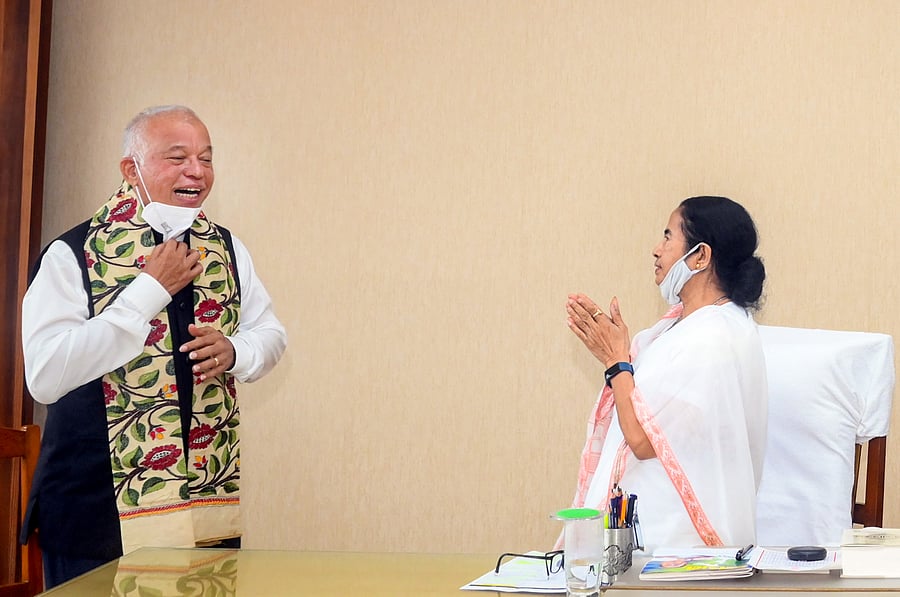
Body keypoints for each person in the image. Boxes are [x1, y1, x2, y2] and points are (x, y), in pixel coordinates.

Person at [21, 105, 287, 588]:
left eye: (207, 159)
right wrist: (146, 293)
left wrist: (235, 352)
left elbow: (269, 333)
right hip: (94, 509)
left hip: (200, 498)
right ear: (132, 169)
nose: (197, 171)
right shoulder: (70, 254)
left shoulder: (226, 249)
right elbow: (44, 376)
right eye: (178, 157)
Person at [564, 196, 767, 551]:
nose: (656, 250)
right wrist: (618, 361)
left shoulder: (712, 338)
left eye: (668, 236)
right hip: (652, 533)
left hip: (677, 545)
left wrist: (616, 363)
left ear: (700, 256)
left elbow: (642, 440)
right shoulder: (682, 327)